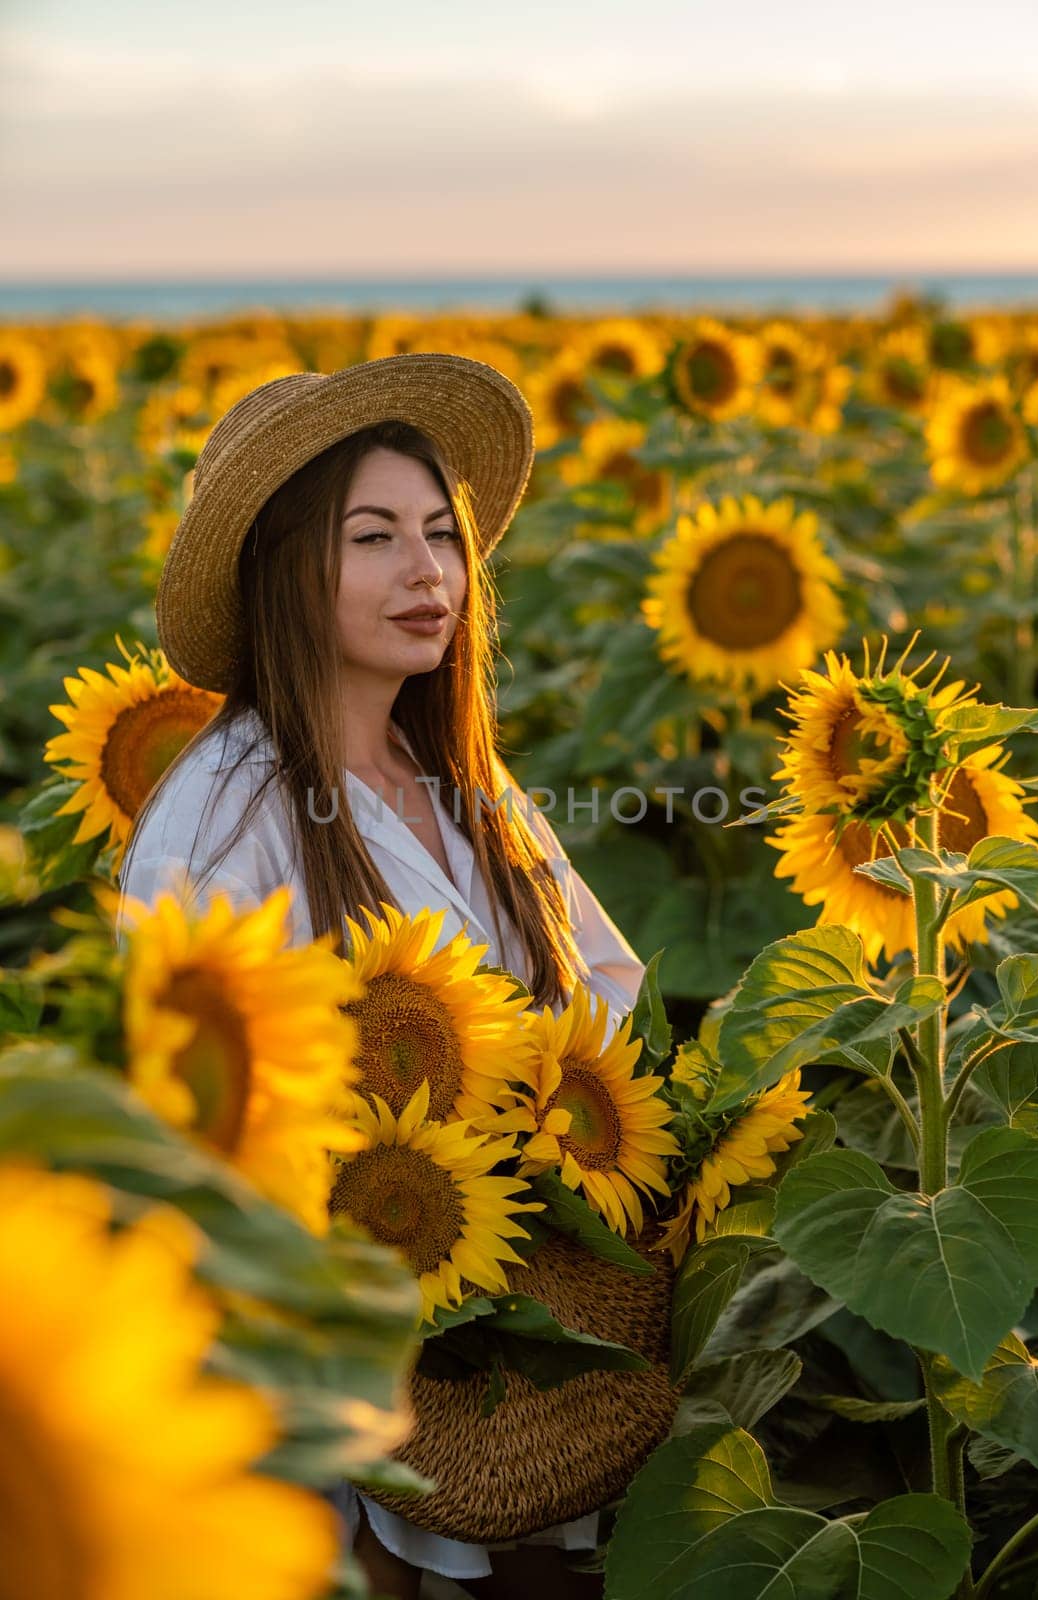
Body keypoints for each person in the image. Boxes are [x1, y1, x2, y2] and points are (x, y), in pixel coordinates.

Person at [115, 353, 648, 1600]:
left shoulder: (464, 781)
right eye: (373, 538)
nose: (428, 576)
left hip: (533, 1374)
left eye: (439, 536)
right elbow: (191, 1148)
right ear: (282, 568)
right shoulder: (221, 818)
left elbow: (609, 999)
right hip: (349, 1413)